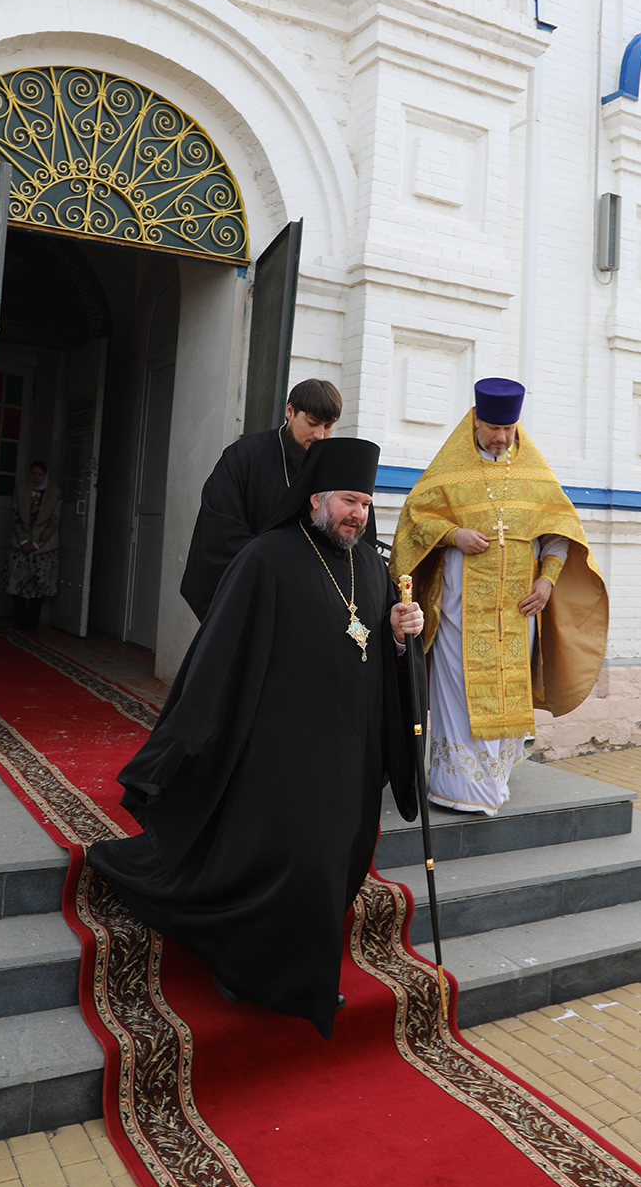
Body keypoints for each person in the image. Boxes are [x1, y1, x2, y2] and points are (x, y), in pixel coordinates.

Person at [88, 437, 422, 1040]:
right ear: (316, 498)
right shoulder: (267, 557)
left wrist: (401, 637)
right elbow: (221, 655)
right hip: (281, 750)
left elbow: (374, 652)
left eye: (366, 504)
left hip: (351, 754)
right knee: (295, 860)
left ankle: (299, 973)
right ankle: (250, 968)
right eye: (348, 501)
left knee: (340, 861)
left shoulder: (372, 568)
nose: (358, 515)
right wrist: (184, 739)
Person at [390, 378, 608, 817]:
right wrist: (453, 534)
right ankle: (456, 788)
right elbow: (415, 519)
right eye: (493, 428)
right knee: (459, 694)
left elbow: (558, 535)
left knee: (508, 691)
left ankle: (494, 781)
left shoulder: (534, 472)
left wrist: (546, 582)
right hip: (460, 615)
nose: (501, 438)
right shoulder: (449, 469)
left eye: (508, 429)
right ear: (476, 420)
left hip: (516, 614)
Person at [180, 377, 348, 622]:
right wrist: (278, 568)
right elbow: (220, 529)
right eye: (312, 423)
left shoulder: (334, 468)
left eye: (328, 426)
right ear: (290, 411)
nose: (320, 435)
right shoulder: (243, 457)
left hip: (315, 598)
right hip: (256, 592)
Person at [3, 460, 62, 629]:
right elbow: (15, 516)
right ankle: (19, 617)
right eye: (33, 474)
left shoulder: (54, 493)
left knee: (39, 583)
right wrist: (23, 541)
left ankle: (33, 619)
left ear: (45, 476)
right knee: (17, 582)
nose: (36, 478)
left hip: (44, 546)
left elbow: (54, 521)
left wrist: (37, 544)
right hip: (20, 542)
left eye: (40, 475)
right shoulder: (21, 490)